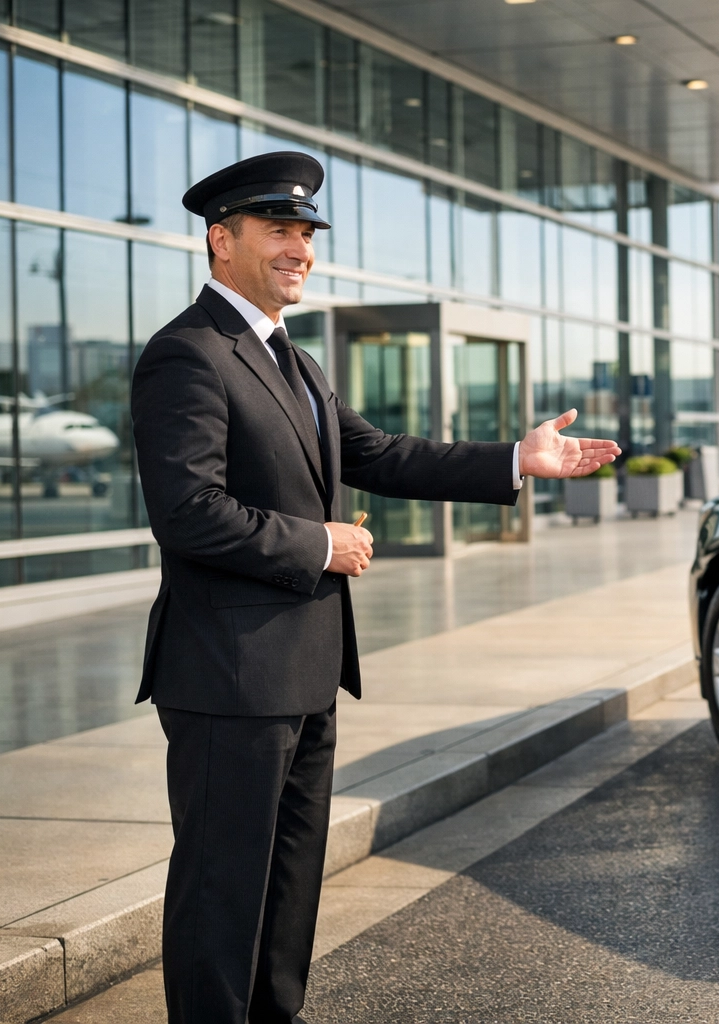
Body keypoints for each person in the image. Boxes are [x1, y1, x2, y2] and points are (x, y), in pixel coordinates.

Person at [130, 151, 620, 1024]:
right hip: (229, 678)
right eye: (279, 230)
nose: (300, 249)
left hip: (305, 673)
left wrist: (518, 458)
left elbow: (383, 454)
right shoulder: (188, 355)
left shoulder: (292, 359)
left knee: (287, 896)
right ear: (221, 240)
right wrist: (319, 543)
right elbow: (188, 512)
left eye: (306, 234)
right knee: (221, 895)